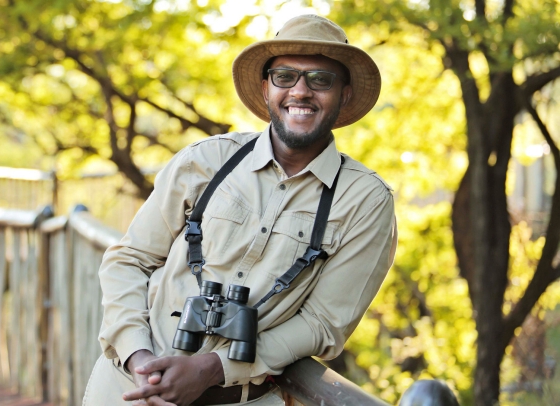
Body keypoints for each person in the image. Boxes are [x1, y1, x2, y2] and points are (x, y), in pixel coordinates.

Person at [83, 14, 397, 406]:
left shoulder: (365, 201)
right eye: (285, 76)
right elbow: (129, 259)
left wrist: (214, 368)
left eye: (321, 79)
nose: (301, 91)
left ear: (345, 94)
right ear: (266, 88)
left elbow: (323, 325)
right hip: (126, 389)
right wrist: (139, 358)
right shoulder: (207, 160)